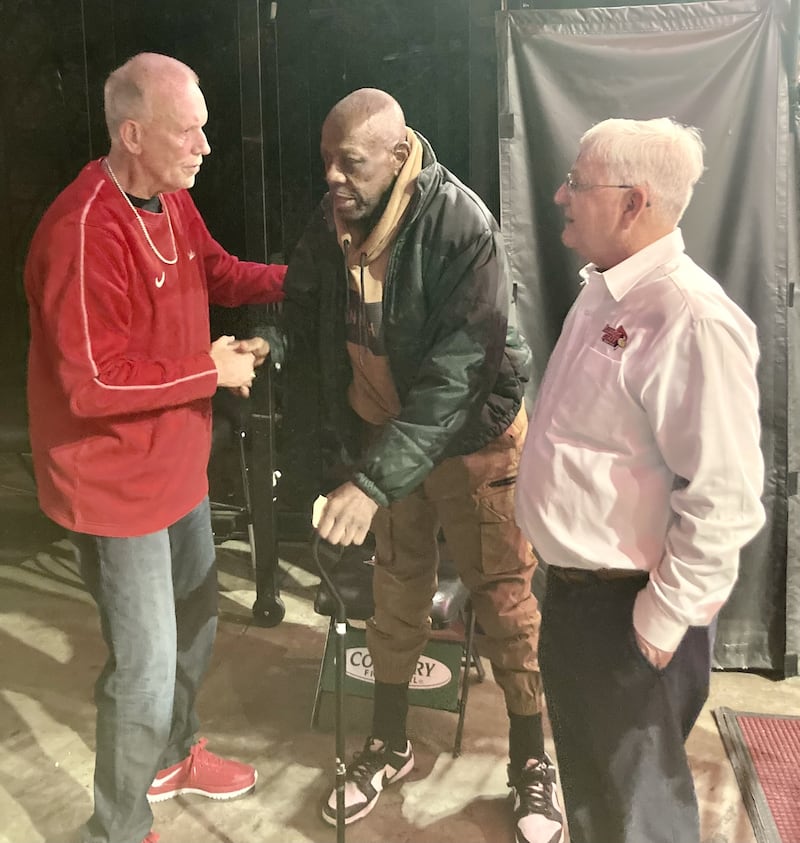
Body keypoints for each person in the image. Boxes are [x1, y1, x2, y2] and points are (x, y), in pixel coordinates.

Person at [280, 88, 562, 843]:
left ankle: (533, 761)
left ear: (400, 156)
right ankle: (390, 742)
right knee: (394, 594)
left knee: (504, 599)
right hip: (386, 439)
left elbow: (458, 374)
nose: (333, 177)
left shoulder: (462, 227)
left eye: (352, 162)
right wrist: (269, 346)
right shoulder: (336, 215)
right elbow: (304, 302)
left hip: (474, 439)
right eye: (326, 161)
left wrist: (372, 484)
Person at [24, 53, 286, 843]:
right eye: (189, 130)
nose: (206, 145)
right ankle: (118, 827)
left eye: (204, 127)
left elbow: (220, 273)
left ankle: (172, 755)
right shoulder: (80, 229)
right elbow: (92, 384)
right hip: (113, 487)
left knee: (197, 621)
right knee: (140, 672)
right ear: (133, 134)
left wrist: (303, 278)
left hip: (177, 469)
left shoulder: (171, 202)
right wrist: (208, 369)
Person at [515, 117, 766, 843]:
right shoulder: (605, 292)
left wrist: (658, 623)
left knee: (638, 817)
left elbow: (722, 496)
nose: (561, 193)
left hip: (629, 613)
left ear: (635, 203)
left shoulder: (688, 317)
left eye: (578, 183)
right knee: (597, 795)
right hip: (577, 601)